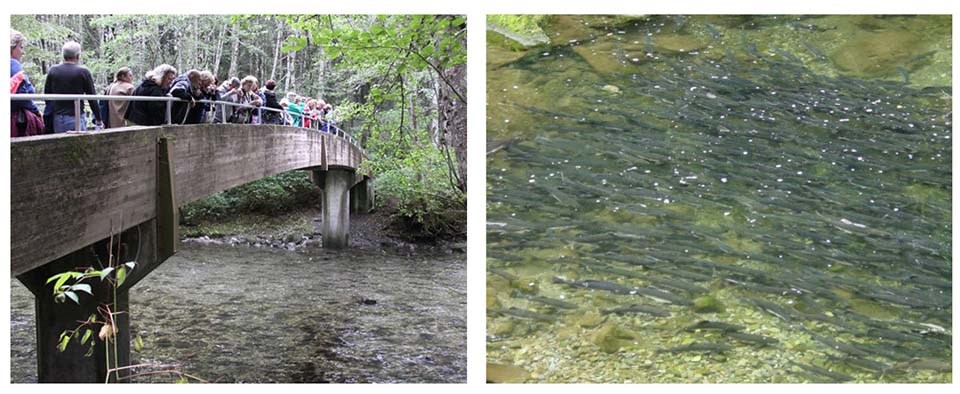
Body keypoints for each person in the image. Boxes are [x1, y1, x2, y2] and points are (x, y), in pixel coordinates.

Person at [43, 41, 102, 132]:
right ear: (78, 56)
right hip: (76, 118)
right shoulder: (83, 72)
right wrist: (98, 119)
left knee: (58, 144)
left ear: (63, 56)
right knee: (80, 144)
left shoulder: (53, 70)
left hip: (58, 118)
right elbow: (92, 98)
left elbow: (47, 95)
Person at [10, 29, 43, 137]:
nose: (22, 52)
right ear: (11, 47)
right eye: (21, 47)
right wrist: (36, 111)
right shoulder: (13, 64)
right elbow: (21, 95)